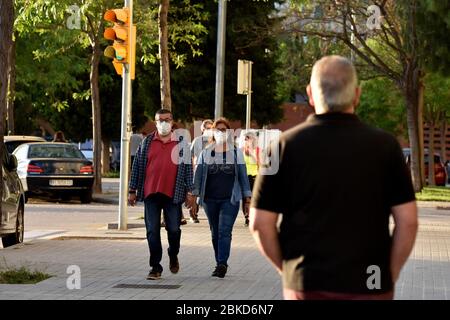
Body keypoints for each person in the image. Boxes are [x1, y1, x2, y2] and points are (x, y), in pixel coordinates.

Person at [250, 55, 418, 300]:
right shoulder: (386, 147)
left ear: (310, 93)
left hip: (307, 282)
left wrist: (289, 271)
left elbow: (259, 224)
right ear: (357, 95)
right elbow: (408, 221)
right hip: (370, 283)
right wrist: (388, 274)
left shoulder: (282, 147)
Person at [128, 109, 196, 280]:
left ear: (172, 122)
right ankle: (155, 267)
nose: (164, 123)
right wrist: (132, 190)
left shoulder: (181, 143)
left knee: (173, 229)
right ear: (155, 121)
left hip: (173, 193)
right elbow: (136, 167)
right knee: (152, 231)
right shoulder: (147, 142)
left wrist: (190, 192)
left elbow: (188, 169)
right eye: (160, 120)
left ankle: (173, 254)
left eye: (167, 119)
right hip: (150, 193)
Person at [192, 118, 252, 278]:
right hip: (209, 199)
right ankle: (219, 260)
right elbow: (198, 176)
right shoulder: (206, 152)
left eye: (224, 130)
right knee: (215, 232)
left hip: (230, 199)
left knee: (224, 231)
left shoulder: (236, 152)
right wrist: (194, 197)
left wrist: (247, 199)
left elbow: (243, 177)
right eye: (217, 130)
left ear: (229, 132)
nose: (220, 132)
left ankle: (221, 264)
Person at [189, 119, 214, 223]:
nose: (209, 130)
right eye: (207, 128)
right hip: (198, 170)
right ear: (202, 129)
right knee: (195, 193)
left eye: (211, 128)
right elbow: (190, 155)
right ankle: (193, 214)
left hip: (211, 172)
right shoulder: (197, 141)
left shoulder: (215, 141)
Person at [241, 131, 260, 226]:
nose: (246, 140)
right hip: (245, 177)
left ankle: (252, 217)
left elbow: (260, 164)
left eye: (248, 138)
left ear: (253, 139)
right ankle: (247, 217)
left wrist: (252, 153)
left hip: (255, 177)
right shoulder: (242, 150)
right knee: (246, 198)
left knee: (254, 199)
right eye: (245, 139)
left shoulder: (257, 150)